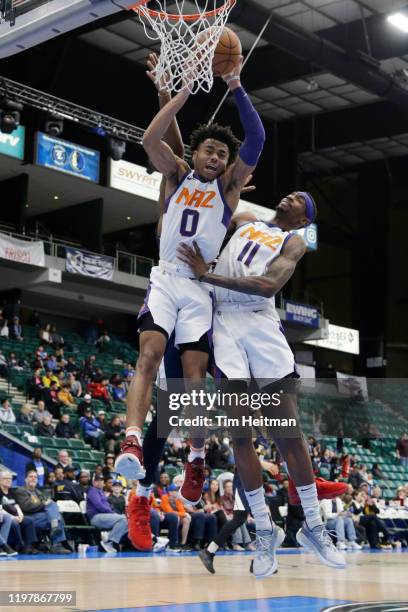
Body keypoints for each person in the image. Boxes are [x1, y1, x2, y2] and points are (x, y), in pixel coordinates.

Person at [115, 51, 265, 503]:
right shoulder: (177, 176)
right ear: (194, 154)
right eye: (210, 150)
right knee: (149, 355)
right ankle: (133, 441)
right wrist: (177, 93)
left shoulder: (227, 189)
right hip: (166, 278)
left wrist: (236, 86)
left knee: (194, 379)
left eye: (223, 152)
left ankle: (196, 457)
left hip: (200, 287)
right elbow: (150, 138)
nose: (217, 156)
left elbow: (256, 138)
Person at [179, 188, 346, 574]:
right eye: (289, 194)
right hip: (223, 323)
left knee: (288, 434)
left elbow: (269, 285)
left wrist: (209, 274)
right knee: (240, 435)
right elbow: (212, 204)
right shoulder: (244, 219)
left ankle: (314, 527)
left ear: (304, 220)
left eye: (299, 201)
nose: (289, 198)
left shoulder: (293, 242)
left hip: (259, 322)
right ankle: (265, 531)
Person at [14, 471, 70, 554]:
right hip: (29, 517)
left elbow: (47, 505)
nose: (33, 478)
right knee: (57, 516)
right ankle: (57, 544)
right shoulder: (21, 491)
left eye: (35, 477)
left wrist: (46, 504)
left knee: (53, 505)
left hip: (42, 517)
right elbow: (27, 507)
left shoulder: (38, 492)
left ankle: (55, 524)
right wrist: (43, 504)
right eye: (31, 476)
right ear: (25, 479)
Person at [86, 474, 128, 553]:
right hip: (96, 517)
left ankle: (108, 536)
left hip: (104, 516)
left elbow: (106, 506)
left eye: (101, 480)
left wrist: (113, 513)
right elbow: (99, 506)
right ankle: (109, 542)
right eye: (97, 481)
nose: (99, 482)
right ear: (93, 482)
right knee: (123, 520)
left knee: (128, 522)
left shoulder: (100, 491)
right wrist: (112, 513)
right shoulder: (93, 491)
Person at [0, 469, 38, 554]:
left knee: (29, 520)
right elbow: (0, 509)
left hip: (15, 515)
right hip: (5, 516)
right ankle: (19, 545)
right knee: (14, 523)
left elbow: (16, 505)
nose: (9, 480)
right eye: (6, 478)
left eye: (10, 479)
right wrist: (13, 517)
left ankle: (28, 546)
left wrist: (21, 515)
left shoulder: (11, 491)